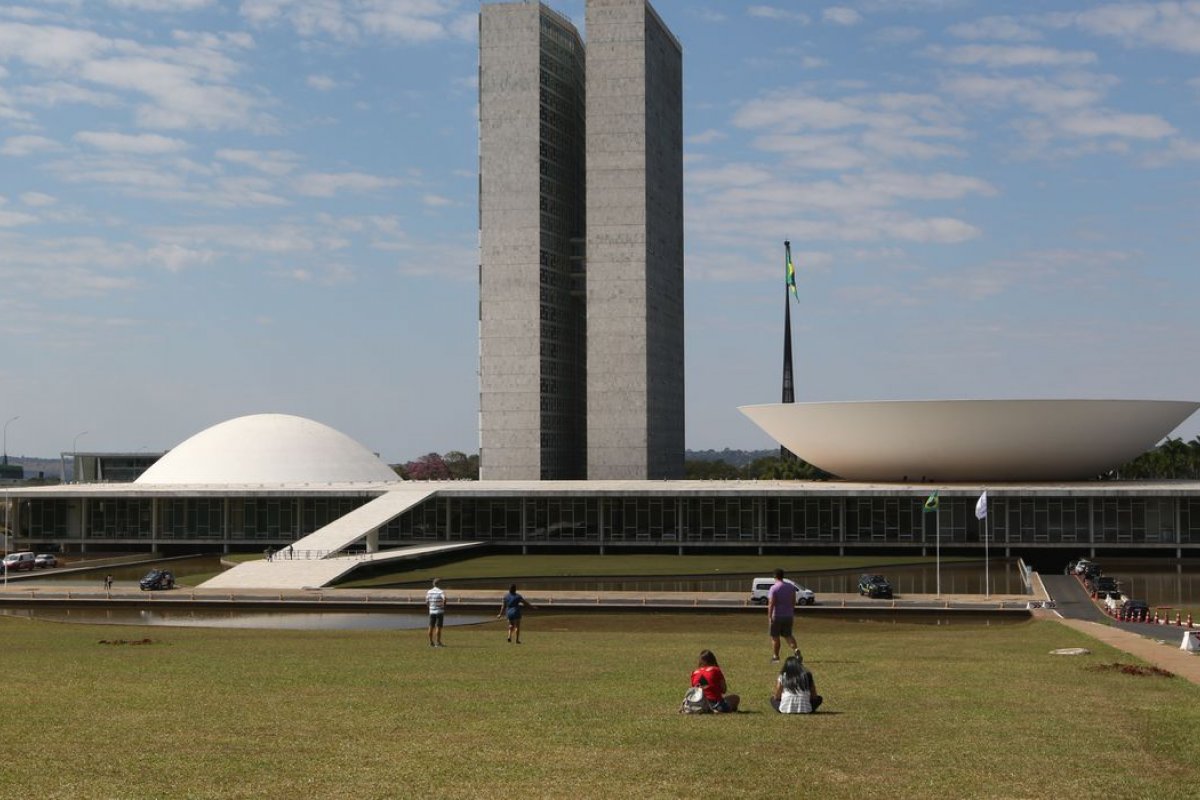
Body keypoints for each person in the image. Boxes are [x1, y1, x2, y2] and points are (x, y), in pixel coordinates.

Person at [767, 568, 800, 662]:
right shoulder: (791, 587)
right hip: (788, 615)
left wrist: (769, 616)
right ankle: (796, 650)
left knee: (775, 637)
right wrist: (790, 611)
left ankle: (776, 656)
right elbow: (793, 601)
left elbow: (771, 603)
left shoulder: (774, 588)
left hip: (777, 615)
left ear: (775, 576)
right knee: (788, 635)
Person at [426, 578, 446, 647]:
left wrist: (429, 607)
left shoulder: (429, 592)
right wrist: (443, 606)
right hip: (439, 611)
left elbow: (427, 601)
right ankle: (438, 642)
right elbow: (444, 599)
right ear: (439, 584)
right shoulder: (441, 591)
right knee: (438, 627)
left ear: (433, 584)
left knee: (431, 626)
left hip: (431, 611)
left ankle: (431, 642)